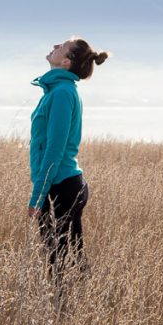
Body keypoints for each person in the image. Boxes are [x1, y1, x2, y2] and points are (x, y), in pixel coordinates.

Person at [28, 36, 109, 287]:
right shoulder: (58, 90)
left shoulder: (62, 93)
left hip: (60, 188)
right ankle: (86, 301)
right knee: (71, 259)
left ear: (66, 62)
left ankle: (64, 307)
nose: (54, 46)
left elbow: (55, 149)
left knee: (58, 265)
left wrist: (37, 197)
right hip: (65, 184)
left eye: (61, 46)